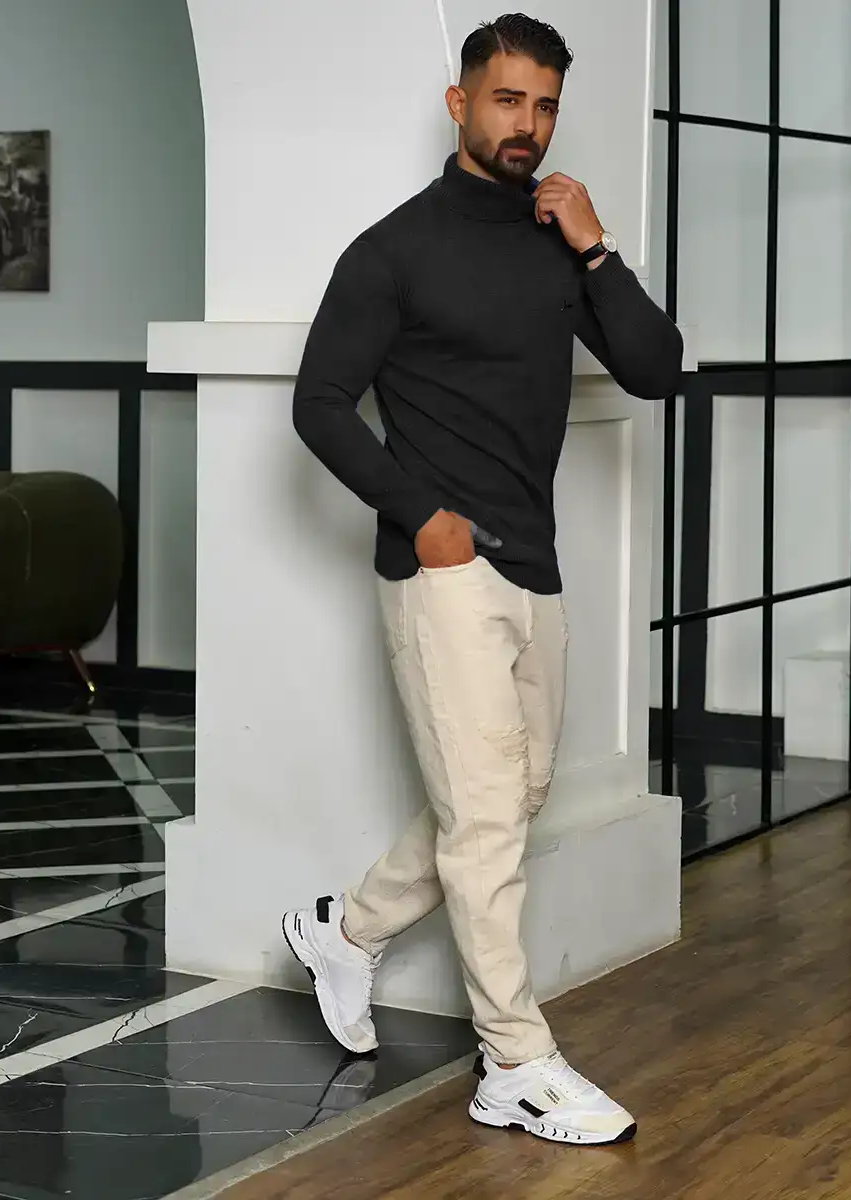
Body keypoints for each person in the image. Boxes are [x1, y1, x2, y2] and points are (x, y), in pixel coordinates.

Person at [284, 12, 682, 1146]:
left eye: (544, 105)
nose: (528, 124)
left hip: (534, 563)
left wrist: (598, 247)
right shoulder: (392, 249)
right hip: (441, 568)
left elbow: (656, 370)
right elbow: (319, 404)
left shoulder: (559, 239)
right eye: (508, 99)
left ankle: (347, 930)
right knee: (488, 822)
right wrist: (423, 517)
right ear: (460, 103)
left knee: (514, 793)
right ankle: (513, 1060)